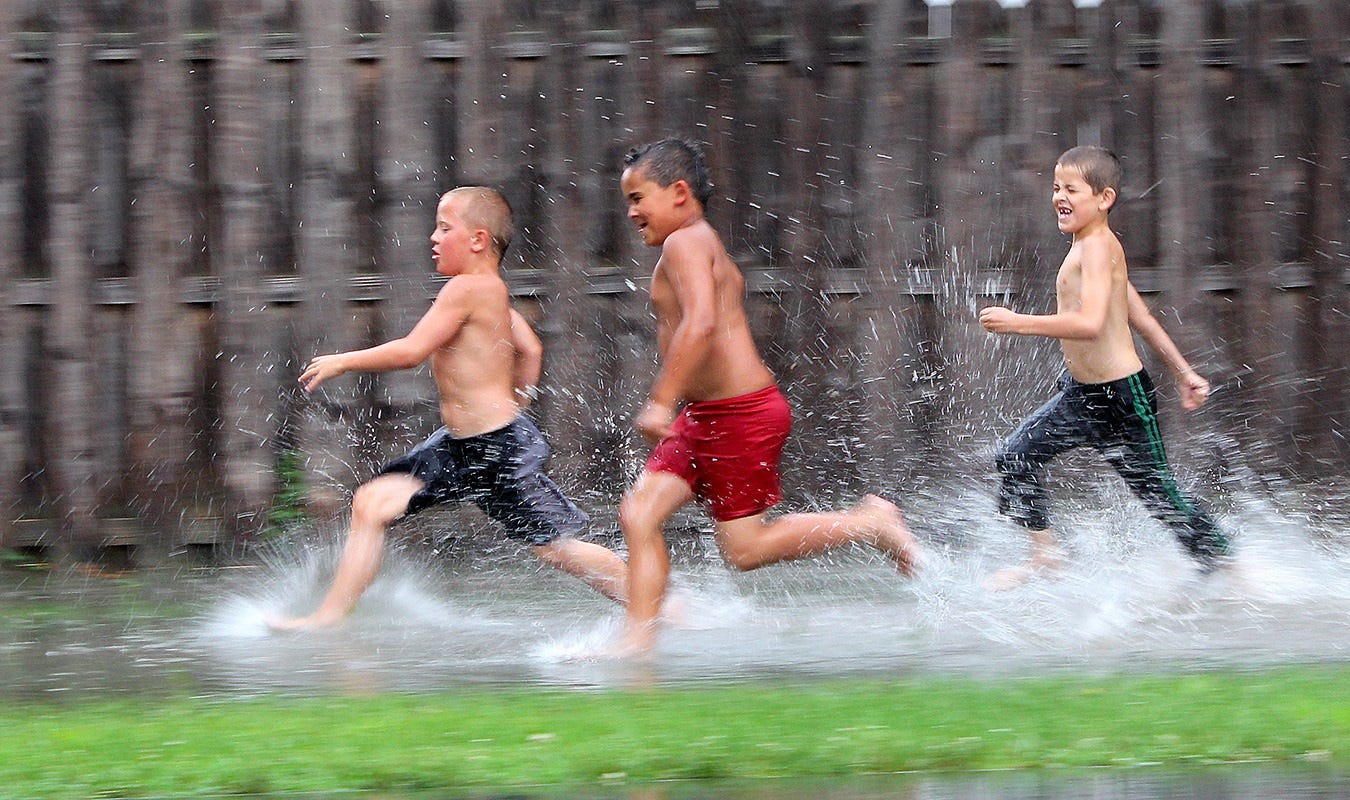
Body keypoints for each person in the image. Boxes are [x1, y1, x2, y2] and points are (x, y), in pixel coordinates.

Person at [269, 187, 628, 631]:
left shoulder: (465, 289)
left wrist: (342, 360)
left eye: (444, 227)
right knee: (371, 503)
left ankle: (660, 606)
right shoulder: (492, 290)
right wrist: (519, 403)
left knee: (557, 549)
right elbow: (530, 348)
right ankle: (327, 618)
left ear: (478, 239)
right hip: (463, 445)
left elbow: (412, 351)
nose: (433, 238)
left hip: (494, 449)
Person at [614, 138, 920, 655]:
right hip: (709, 414)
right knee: (639, 514)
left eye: (640, 197)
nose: (632, 212)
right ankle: (638, 643)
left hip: (739, 415)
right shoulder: (696, 240)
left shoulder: (685, 242)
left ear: (680, 193)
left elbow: (702, 322)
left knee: (746, 549)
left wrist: (661, 401)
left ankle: (870, 525)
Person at [979, 145, 1232, 590]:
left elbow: (1091, 324)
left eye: (1072, 189)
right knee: (1015, 455)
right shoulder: (1089, 246)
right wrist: (1183, 372)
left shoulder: (1098, 247)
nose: (1060, 196)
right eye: (1056, 187)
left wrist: (1019, 322)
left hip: (1123, 399)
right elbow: (1139, 315)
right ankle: (1045, 556)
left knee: (1160, 496)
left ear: (1104, 198)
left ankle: (1225, 564)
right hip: (1083, 395)